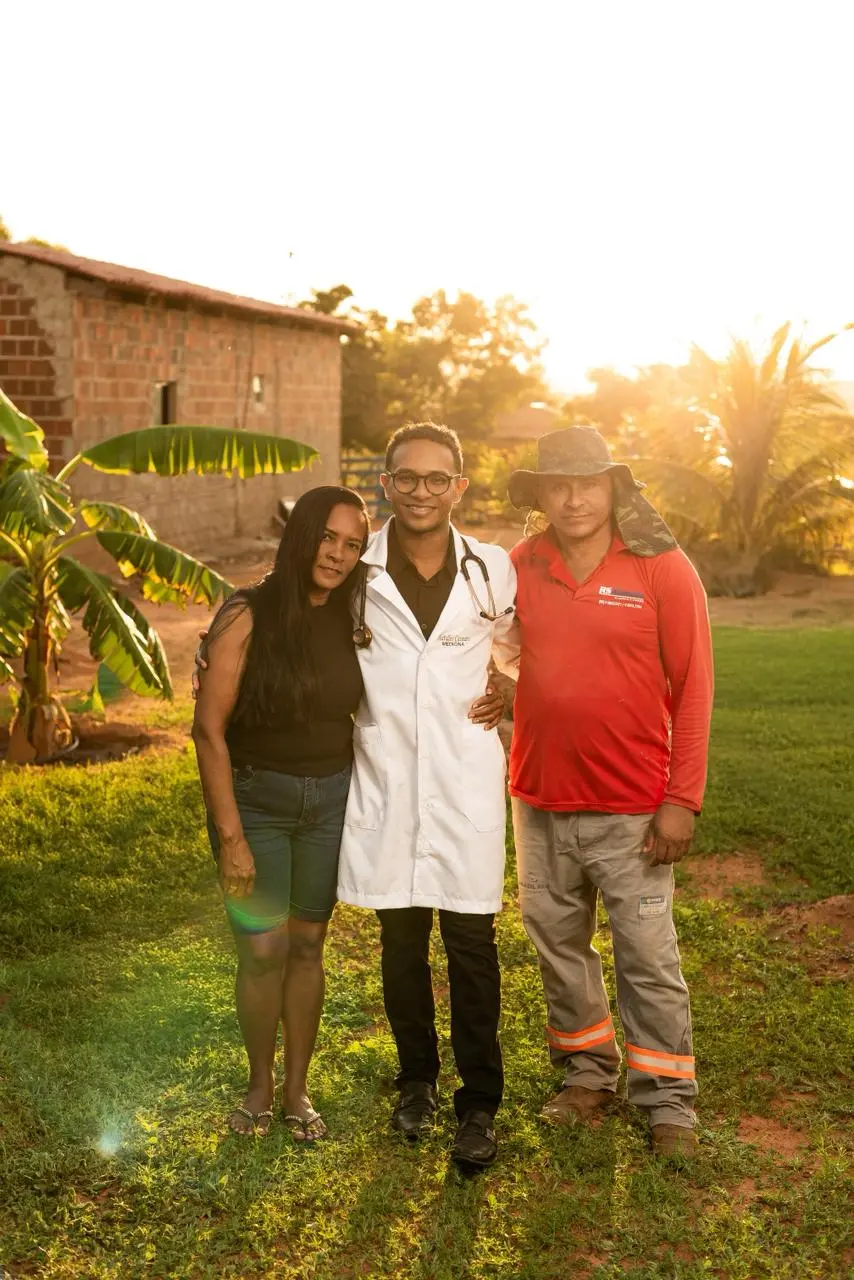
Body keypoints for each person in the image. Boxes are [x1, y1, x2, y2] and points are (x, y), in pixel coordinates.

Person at [506, 426, 714, 1158]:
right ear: (540, 494)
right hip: (537, 798)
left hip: (635, 806)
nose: (572, 499)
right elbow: (486, 648)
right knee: (559, 947)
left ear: (612, 488)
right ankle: (588, 1074)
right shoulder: (520, 565)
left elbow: (694, 688)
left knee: (647, 955)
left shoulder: (661, 567)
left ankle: (666, 1103)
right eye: (557, 485)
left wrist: (681, 797)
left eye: (587, 483)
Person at [336, 421, 517, 1168]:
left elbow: (525, 639)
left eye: (436, 479)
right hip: (387, 777)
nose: (420, 491)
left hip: (464, 777)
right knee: (400, 941)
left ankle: (480, 1102)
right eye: (405, 478)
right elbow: (285, 608)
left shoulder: (493, 568)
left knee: (472, 944)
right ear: (386, 483)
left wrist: (510, 683)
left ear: (459, 487)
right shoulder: (355, 569)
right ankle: (417, 1082)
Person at [191, 486, 369, 1140]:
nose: (339, 555)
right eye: (329, 537)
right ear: (301, 534)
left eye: (352, 545)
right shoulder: (246, 613)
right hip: (257, 801)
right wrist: (232, 838)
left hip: (329, 799)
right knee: (262, 949)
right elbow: (209, 730)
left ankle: (297, 1092)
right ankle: (258, 1084)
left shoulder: (357, 609)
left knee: (307, 944)